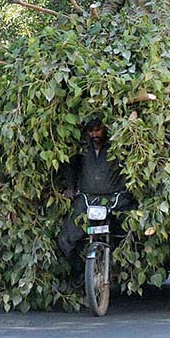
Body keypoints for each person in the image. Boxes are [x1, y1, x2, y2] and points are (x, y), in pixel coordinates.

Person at [57, 117, 134, 283]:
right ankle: (79, 274)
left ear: (105, 129)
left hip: (115, 200)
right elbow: (70, 166)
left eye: (98, 130)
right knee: (65, 238)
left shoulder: (117, 145)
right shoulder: (82, 148)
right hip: (86, 200)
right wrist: (70, 187)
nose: (94, 134)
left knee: (131, 230)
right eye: (91, 131)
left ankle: (123, 270)